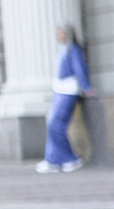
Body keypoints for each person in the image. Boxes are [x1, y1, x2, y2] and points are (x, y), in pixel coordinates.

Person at [38, 25, 90, 175]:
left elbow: (79, 69)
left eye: (61, 33)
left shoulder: (72, 49)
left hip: (68, 90)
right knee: (52, 125)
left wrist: (86, 87)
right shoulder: (64, 49)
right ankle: (53, 159)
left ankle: (69, 158)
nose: (58, 35)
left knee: (57, 125)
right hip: (60, 90)